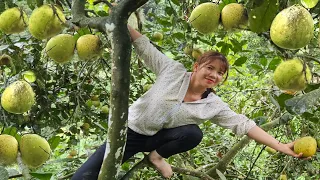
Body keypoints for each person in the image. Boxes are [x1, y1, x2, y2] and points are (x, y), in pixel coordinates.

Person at [72, 25, 304, 179]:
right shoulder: (172, 71)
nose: (214, 75)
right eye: (209, 67)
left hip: (157, 138)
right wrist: (118, 17)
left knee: (193, 134)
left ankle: (156, 156)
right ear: (197, 67)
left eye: (220, 73)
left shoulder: (213, 104)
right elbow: (144, 46)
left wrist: (281, 146)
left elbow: (244, 125)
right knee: (83, 177)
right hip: (127, 133)